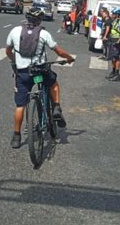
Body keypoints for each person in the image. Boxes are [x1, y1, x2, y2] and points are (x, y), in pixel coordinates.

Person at [6, 8, 75, 149]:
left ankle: (16, 136)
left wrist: (15, 61)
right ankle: (56, 108)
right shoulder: (43, 33)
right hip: (39, 73)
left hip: (23, 74)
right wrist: (68, 58)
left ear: (26, 18)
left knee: (20, 106)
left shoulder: (14, 31)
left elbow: (8, 50)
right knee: (53, 83)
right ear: (39, 21)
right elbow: (58, 51)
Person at [106, 8, 120, 81]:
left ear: (117, 15)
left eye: (113, 14)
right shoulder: (114, 21)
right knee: (112, 57)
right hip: (112, 40)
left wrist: (118, 41)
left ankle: (117, 74)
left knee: (116, 57)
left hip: (116, 41)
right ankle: (113, 71)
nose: (112, 15)